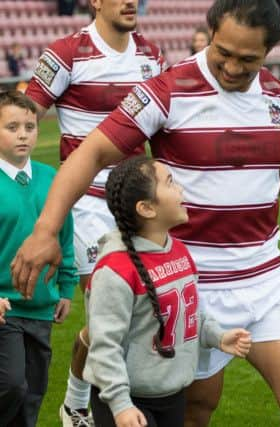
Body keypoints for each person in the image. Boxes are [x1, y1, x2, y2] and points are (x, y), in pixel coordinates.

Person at [12, 1, 280, 426]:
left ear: (269, 51)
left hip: (265, 279)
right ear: (210, 31)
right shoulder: (167, 89)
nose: (230, 67)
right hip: (188, 282)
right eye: (222, 52)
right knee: (194, 410)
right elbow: (93, 151)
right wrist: (46, 229)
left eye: (248, 60)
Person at [24, 0, 166, 424]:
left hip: (137, 204)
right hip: (86, 205)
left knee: (136, 313)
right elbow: (23, 114)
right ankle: (89, 403)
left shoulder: (151, 57)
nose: (129, 2)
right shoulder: (66, 52)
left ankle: (82, 399)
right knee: (108, 313)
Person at [83, 155, 251, 427]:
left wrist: (217, 336)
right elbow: (105, 347)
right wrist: (121, 405)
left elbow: (190, 313)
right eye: (170, 183)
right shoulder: (115, 271)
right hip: (127, 402)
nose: (181, 189)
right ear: (147, 208)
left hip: (172, 394)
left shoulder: (179, 251)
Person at [0, 90, 77, 427]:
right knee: (12, 385)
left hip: (42, 306)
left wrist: (66, 287)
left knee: (32, 395)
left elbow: (64, 235)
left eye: (29, 127)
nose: (23, 134)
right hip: (5, 309)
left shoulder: (52, 179)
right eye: (12, 127)